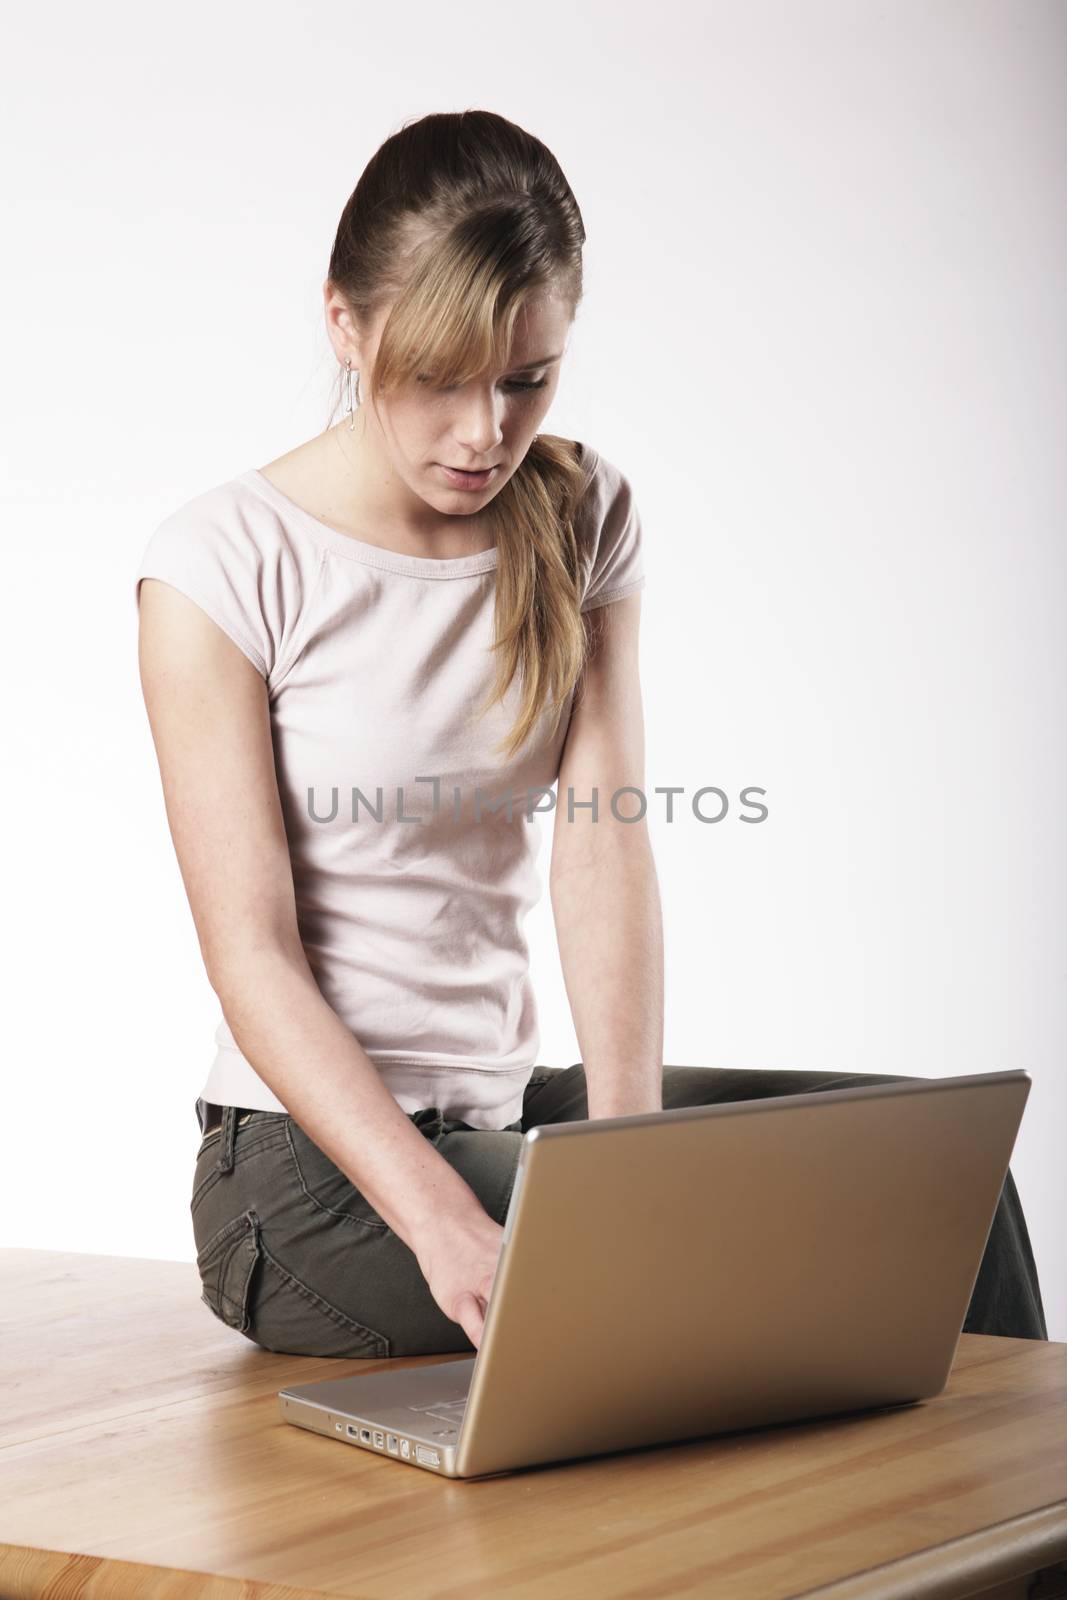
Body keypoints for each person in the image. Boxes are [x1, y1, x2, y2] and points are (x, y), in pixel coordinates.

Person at [135, 108, 1047, 1360]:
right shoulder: (221, 565)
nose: (482, 433)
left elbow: (602, 843)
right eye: (439, 377)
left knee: (949, 1191)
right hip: (305, 1184)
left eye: (524, 380)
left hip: (505, 1111)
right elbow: (251, 956)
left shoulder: (578, 512)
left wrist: (624, 1162)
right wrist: (446, 1221)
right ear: (343, 324)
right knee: (741, 1267)